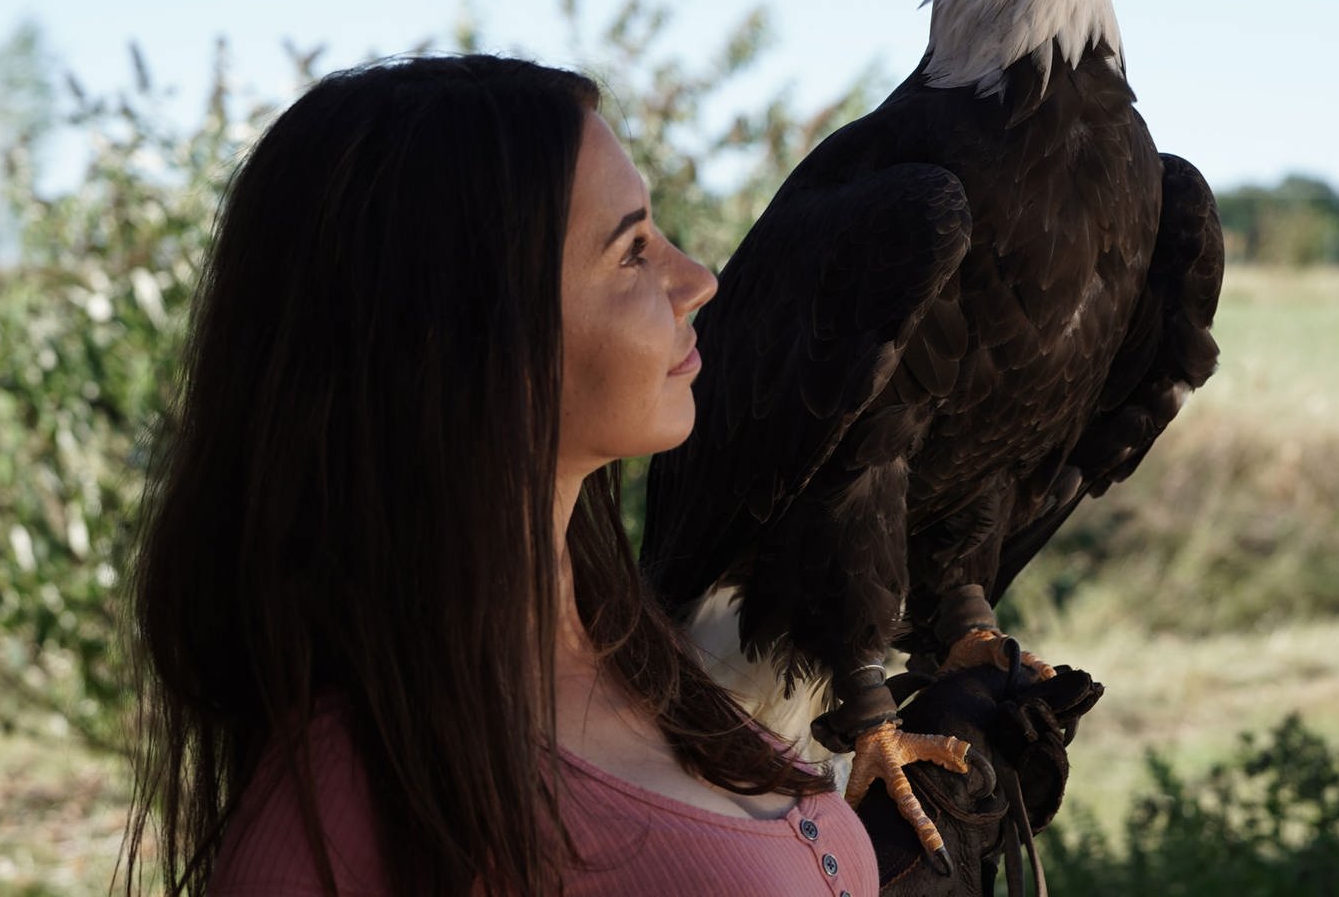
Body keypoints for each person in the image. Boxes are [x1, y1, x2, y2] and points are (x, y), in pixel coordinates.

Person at [117, 55, 881, 896]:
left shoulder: (648, 667)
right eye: (632, 251)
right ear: (472, 338)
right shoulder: (354, 803)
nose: (697, 280)